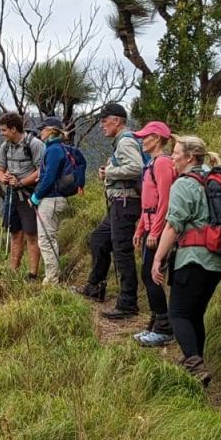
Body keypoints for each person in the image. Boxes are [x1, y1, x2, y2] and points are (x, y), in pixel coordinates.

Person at [150, 135, 221, 386]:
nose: (172, 157)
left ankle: (195, 366)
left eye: (176, 153)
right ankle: (196, 362)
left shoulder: (184, 184)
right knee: (195, 314)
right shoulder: (214, 179)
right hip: (218, 260)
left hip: (193, 258)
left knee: (178, 314)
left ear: (189, 158)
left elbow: (173, 226)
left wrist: (158, 258)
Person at [78, 102, 144, 320]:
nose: (101, 126)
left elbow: (136, 168)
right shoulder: (122, 141)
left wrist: (111, 172)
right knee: (98, 239)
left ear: (117, 120)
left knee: (122, 250)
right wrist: (109, 172)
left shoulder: (125, 141)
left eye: (104, 121)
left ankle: (127, 303)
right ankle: (95, 286)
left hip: (125, 203)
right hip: (121, 202)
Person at [132, 121, 176, 347]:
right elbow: (147, 202)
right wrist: (141, 228)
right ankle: (155, 323)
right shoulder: (152, 164)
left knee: (152, 275)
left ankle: (163, 328)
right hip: (149, 225)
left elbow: (165, 201)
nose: (142, 140)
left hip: (157, 228)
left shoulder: (162, 164)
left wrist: (155, 231)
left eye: (146, 136)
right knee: (147, 274)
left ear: (157, 138)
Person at [28, 116, 87, 285]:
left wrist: (35, 197)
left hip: (50, 200)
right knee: (50, 238)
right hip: (60, 198)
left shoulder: (53, 150)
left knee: (46, 239)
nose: (40, 133)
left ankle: (52, 280)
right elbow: (81, 162)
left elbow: (49, 177)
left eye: (43, 129)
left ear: (51, 130)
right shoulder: (64, 148)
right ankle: (52, 277)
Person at [0, 112, 44, 280]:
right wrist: (4, 178)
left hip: (29, 196)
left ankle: (32, 275)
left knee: (31, 235)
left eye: (4, 130)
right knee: (15, 234)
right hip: (12, 196)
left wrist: (21, 182)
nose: (2, 133)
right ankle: (12, 273)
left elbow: (41, 171)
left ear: (14, 129)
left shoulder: (34, 145)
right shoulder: (5, 146)